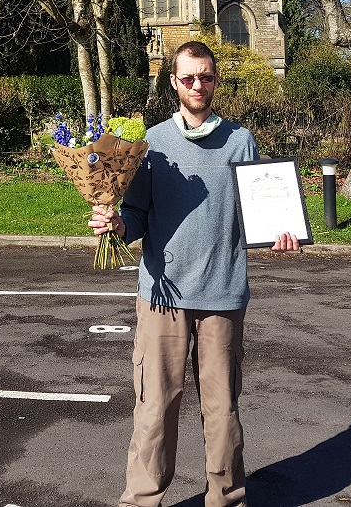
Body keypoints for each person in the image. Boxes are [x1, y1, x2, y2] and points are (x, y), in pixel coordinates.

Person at [90, 40, 301, 507]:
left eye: (205, 76)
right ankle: (142, 499)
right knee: (153, 408)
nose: (197, 85)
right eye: (188, 77)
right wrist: (118, 224)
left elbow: (255, 214)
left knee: (222, 410)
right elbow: (138, 213)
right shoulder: (152, 143)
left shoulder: (240, 140)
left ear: (215, 80)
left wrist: (278, 233)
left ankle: (224, 498)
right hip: (162, 297)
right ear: (173, 82)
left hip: (222, 296)